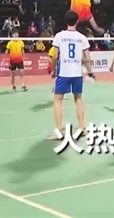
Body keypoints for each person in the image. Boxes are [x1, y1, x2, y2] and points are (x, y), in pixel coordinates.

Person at [48, 11, 94, 140]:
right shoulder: (82, 38)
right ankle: (81, 128)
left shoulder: (59, 36)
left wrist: (53, 70)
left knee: (58, 100)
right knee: (78, 99)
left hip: (64, 72)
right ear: (77, 21)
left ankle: (58, 131)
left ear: (66, 21)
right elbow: (87, 57)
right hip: (77, 72)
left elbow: (55, 56)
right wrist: (90, 72)